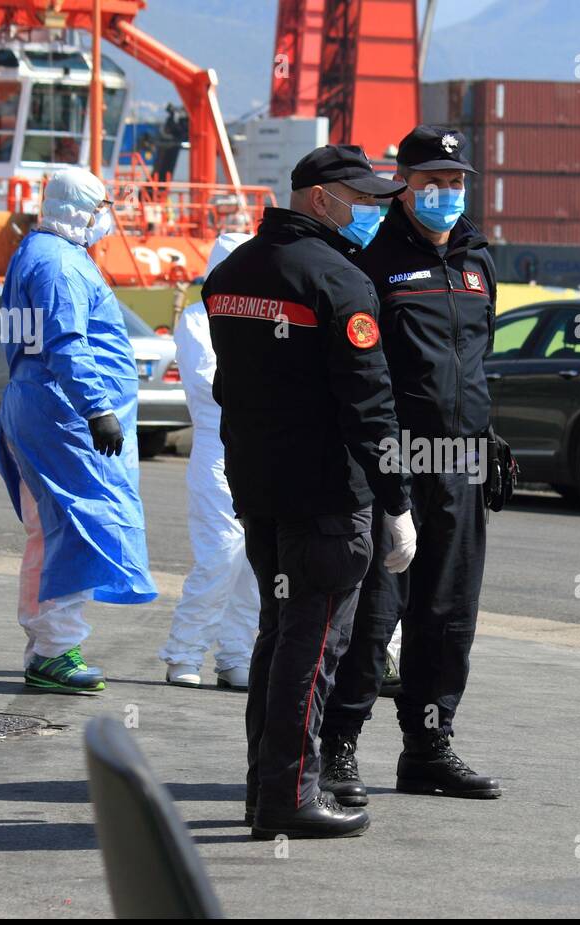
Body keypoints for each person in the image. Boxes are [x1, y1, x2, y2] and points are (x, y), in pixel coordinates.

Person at [204, 145, 416, 839]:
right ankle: (291, 794)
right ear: (321, 199)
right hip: (327, 495)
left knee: (279, 634)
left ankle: (263, 790)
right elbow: (371, 406)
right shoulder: (340, 282)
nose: (375, 213)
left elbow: (226, 388)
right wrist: (397, 501)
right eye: (365, 201)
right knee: (313, 646)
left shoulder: (230, 274)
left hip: (259, 486)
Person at [319, 125, 503, 804]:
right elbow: (358, 372)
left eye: (455, 181)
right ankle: (337, 747)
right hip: (393, 462)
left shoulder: (478, 261)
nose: (445, 193)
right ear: (403, 182)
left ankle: (428, 746)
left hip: (461, 462)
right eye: (431, 181)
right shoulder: (373, 259)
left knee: (449, 613)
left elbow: (476, 364)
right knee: (375, 614)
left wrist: (492, 437)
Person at [0, 167, 157, 693]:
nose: (107, 217)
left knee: (52, 530)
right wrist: (97, 409)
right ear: (82, 209)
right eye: (103, 206)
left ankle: (46, 644)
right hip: (63, 413)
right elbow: (66, 343)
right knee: (82, 527)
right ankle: (55, 649)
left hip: (40, 404)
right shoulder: (61, 265)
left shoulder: (36, 253)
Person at [157, 233, 259, 689]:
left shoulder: (268, 318)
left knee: (257, 561)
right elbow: (207, 385)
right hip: (218, 453)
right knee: (220, 555)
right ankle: (184, 652)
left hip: (262, 453)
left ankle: (236, 657)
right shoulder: (198, 320)